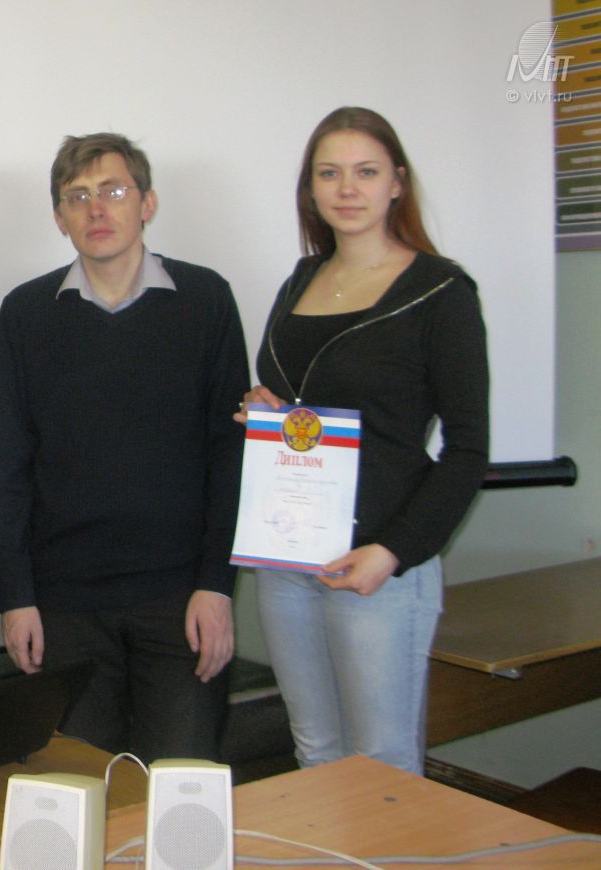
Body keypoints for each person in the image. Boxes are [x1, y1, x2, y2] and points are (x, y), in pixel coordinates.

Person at [236, 107, 489, 775]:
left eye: (366, 172)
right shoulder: (301, 280)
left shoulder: (440, 292)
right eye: (329, 173)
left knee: (380, 766)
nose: (347, 189)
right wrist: (268, 411)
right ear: (311, 189)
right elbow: (307, 406)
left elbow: (468, 449)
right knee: (316, 752)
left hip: (376, 563)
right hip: (288, 559)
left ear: (397, 183)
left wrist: (394, 552)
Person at [0, 133, 250, 762]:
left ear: (147, 203)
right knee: (78, 787)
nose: (96, 209)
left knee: (181, 788)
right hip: (64, 606)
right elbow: (11, 467)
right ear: (59, 217)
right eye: (77, 197)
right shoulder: (25, 313)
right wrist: (16, 597)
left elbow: (229, 453)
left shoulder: (205, 300)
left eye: (112, 190)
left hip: (180, 599)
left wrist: (217, 586)